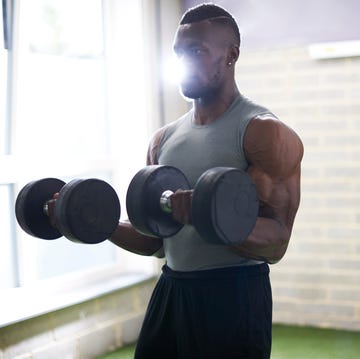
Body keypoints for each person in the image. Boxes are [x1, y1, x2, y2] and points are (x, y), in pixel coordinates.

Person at [110, 3, 303, 358]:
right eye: (179, 53)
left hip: (233, 293)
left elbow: (277, 242)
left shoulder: (263, 133)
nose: (183, 62)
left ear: (231, 55)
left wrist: (205, 214)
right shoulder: (163, 139)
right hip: (172, 287)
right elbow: (157, 240)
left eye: (196, 51)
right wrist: (99, 223)